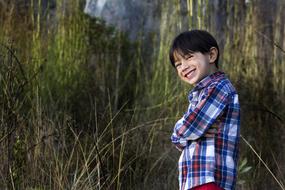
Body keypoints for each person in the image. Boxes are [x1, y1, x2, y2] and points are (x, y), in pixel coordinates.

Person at [169, 30, 240, 190]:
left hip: (208, 179)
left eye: (188, 57)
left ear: (211, 55)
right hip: (197, 179)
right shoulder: (202, 92)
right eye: (178, 64)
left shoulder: (218, 88)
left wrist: (179, 134)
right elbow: (187, 134)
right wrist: (183, 137)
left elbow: (191, 125)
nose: (183, 67)